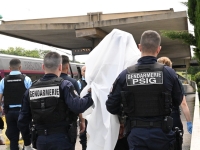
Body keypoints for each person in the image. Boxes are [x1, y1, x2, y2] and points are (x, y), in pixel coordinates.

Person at [106, 30, 183, 150]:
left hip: (136, 135)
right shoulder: (169, 73)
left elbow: (111, 106)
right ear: (159, 49)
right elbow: (177, 100)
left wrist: (126, 111)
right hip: (162, 134)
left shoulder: (124, 75)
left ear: (139, 47)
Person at [17, 52, 93, 150]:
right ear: (60, 67)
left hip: (41, 140)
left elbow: (22, 120)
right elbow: (77, 106)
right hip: (62, 139)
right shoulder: (65, 85)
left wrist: (27, 143)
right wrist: (91, 95)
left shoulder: (31, 89)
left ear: (43, 67)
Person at [0, 58, 32, 150]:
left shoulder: (3, 81)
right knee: (26, 137)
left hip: (9, 113)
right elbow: (30, 96)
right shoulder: (26, 79)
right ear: (20, 67)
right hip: (24, 112)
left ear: (9, 68)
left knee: (13, 139)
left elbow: (0, 96)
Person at [157, 56, 193, 135]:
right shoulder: (175, 80)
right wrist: (189, 122)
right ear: (170, 66)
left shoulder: (153, 80)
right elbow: (183, 103)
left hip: (156, 120)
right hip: (173, 117)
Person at [60, 55, 86, 149]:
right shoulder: (72, 82)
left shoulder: (40, 83)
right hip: (69, 125)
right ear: (67, 66)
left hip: (47, 129)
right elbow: (77, 103)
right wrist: (82, 121)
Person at [77, 65, 87, 150]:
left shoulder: (95, 82)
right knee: (83, 133)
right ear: (81, 73)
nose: (85, 72)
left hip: (94, 112)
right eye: (84, 71)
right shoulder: (79, 83)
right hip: (84, 112)